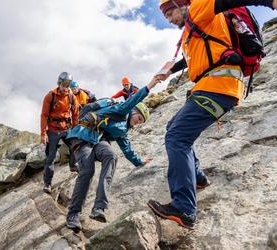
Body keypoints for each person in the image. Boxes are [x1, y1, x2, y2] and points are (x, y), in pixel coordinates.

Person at [147, 0, 277, 230]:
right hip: (213, 86)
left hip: (218, 86)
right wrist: (169, 71)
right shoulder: (193, 29)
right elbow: (193, 57)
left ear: (182, 4)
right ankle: (197, 178)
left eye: (170, 12)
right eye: (166, 16)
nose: (168, 19)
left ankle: (184, 208)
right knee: (172, 128)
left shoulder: (199, 8)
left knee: (177, 138)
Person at [65, 76, 161, 231]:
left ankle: (99, 208)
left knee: (111, 156)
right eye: (138, 118)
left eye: (141, 122)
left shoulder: (122, 129)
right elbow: (132, 100)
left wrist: (139, 162)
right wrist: (150, 86)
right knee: (87, 171)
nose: (138, 123)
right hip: (83, 135)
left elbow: (127, 148)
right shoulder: (121, 110)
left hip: (98, 139)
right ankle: (73, 214)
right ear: (133, 111)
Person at [41, 72, 79, 194]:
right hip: (52, 130)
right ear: (59, 83)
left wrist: (75, 128)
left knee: (75, 146)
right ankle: (47, 183)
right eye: (64, 84)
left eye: (68, 84)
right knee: (51, 157)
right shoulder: (50, 96)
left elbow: (75, 112)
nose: (66, 87)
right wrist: (43, 133)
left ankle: (73, 165)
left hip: (67, 128)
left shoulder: (71, 96)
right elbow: (44, 115)